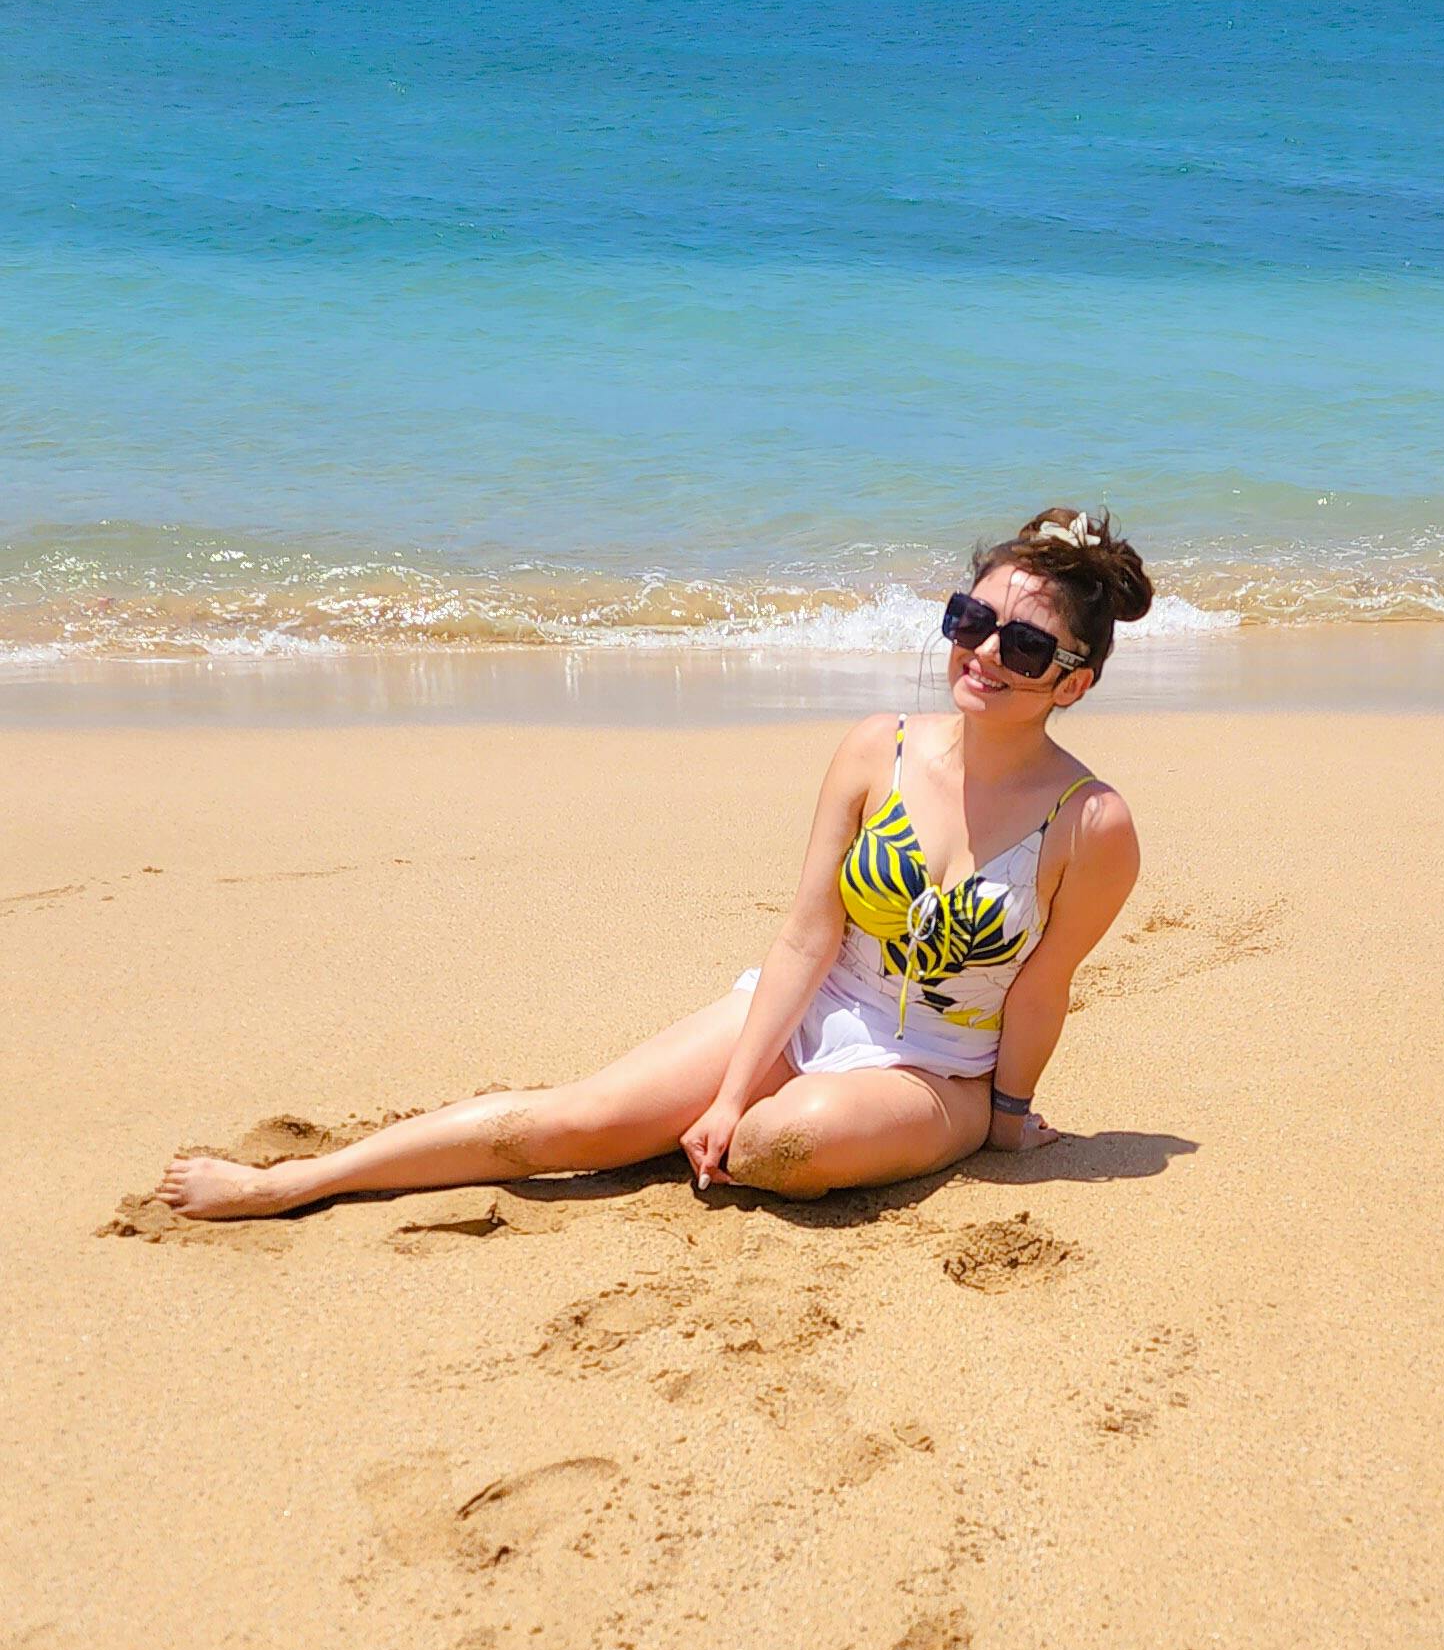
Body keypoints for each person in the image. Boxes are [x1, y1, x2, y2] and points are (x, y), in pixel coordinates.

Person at [160, 506, 1150, 1219]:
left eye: (1025, 646)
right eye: (970, 621)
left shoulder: (1089, 822)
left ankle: (803, 1122)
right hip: (810, 1007)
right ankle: (298, 1181)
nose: (985, 653)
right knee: (570, 1123)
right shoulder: (873, 747)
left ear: (1074, 681)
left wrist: (1007, 1118)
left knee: (775, 1146)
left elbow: (1041, 987)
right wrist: (730, 1086)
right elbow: (807, 933)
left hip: (935, 1071)